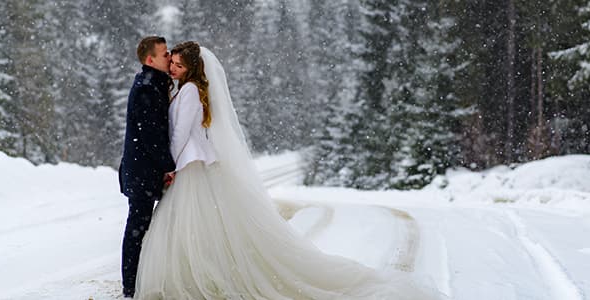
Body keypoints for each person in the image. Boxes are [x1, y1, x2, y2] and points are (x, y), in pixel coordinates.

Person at [134, 41, 442, 299]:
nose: (172, 68)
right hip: (193, 166)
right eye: (171, 62)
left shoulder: (188, 93)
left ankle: (196, 277)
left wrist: (169, 167)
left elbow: (180, 134)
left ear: (191, 68)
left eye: (178, 64)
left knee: (189, 226)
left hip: (189, 167)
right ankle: (205, 273)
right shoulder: (188, 89)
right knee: (199, 227)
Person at [118, 36, 176, 298]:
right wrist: (169, 166)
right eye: (164, 54)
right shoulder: (146, 87)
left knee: (143, 225)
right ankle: (131, 286)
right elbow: (151, 135)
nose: (169, 56)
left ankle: (142, 278)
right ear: (150, 59)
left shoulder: (155, 83)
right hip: (142, 171)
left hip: (144, 169)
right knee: (137, 228)